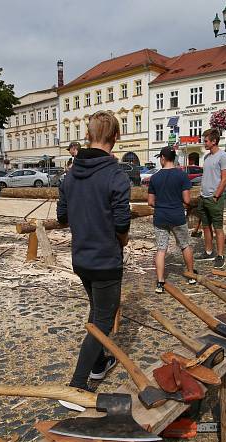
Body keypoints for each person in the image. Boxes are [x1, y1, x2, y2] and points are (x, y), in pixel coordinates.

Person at [57, 111, 130, 391]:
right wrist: (121, 240)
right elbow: (122, 222)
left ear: (87, 136)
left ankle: (99, 366)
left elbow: (63, 216)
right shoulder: (116, 174)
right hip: (105, 260)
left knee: (96, 310)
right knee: (101, 321)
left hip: (81, 259)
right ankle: (77, 385)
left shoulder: (70, 175)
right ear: (116, 137)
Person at [148, 146, 197, 293]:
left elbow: (150, 202)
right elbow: (187, 200)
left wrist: (162, 204)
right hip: (177, 216)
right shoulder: (182, 176)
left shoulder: (155, 177)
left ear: (163, 158)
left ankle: (160, 282)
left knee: (161, 249)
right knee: (185, 245)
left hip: (161, 217)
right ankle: (191, 275)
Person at [194, 128, 226, 268]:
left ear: (214, 141)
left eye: (206, 140)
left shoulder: (223, 156)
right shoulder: (207, 157)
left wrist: (216, 195)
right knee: (206, 227)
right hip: (204, 197)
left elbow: (225, 179)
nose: (204, 143)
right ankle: (209, 252)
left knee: (218, 228)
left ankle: (220, 255)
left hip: (215, 197)